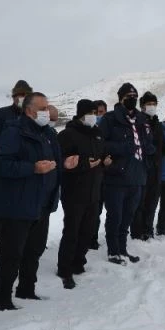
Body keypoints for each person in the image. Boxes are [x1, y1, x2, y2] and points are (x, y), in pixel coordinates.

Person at [0, 92, 65, 310]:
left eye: (47, 108)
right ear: (28, 111)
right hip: (18, 204)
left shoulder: (49, 133)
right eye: (42, 109)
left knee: (34, 250)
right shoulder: (14, 132)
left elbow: (55, 162)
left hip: (42, 203)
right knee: (12, 254)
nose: (46, 112)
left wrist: (65, 165)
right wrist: (32, 168)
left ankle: (26, 289)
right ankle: (2, 298)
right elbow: (1, 165)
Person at [56, 100, 111, 289]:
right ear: (81, 114)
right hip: (74, 191)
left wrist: (106, 161)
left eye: (96, 112)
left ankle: (79, 262)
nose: (94, 116)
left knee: (88, 230)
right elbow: (62, 162)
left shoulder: (97, 133)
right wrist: (83, 164)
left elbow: (102, 155)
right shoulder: (68, 135)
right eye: (91, 113)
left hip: (94, 190)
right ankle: (64, 269)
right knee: (72, 231)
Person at [100, 83, 154, 265]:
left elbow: (147, 142)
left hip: (137, 176)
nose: (132, 99)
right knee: (115, 216)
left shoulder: (141, 119)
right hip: (117, 176)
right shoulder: (109, 119)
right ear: (121, 99)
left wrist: (149, 148)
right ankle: (113, 251)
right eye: (128, 97)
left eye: (135, 97)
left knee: (128, 217)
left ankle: (122, 248)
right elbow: (101, 144)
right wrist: (123, 148)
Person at [131, 92, 163, 241]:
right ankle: (137, 232)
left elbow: (160, 145)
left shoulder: (157, 123)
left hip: (156, 167)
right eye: (149, 104)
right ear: (142, 106)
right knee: (140, 202)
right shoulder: (138, 122)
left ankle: (148, 229)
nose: (152, 106)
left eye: (154, 104)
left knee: (153, 200)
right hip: (142, 166)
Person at [90, 101, 109, 250]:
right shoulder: (88, 131)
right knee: (93, 210)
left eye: (101, 112)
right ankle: (90, 238)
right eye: (95, 113)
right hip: (92, 178)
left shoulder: (109, 130)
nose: (98, 116)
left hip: (109, 176)